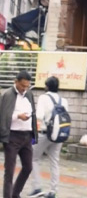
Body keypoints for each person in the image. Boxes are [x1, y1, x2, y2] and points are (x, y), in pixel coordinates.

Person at [28, 76, 68, 198]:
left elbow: (39, 116)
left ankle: (37, 188)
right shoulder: (63, 100)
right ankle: (53, 191)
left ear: (46, 86)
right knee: (54, 162)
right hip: (58, 135)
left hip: (44, 134)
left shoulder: (43, 98)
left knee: (33, 158)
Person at [0, 70, 38, 198]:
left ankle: (15, 193)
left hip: (26, 137)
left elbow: (33, 113)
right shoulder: (7, 95)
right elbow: (4, 115)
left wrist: (33, 132)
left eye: (27, 86)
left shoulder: (29, 94)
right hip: (12, 137)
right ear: (15, 82)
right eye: (22, 85)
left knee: (28, 167)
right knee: (9, 172)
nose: (24, 89)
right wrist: (18, 116)